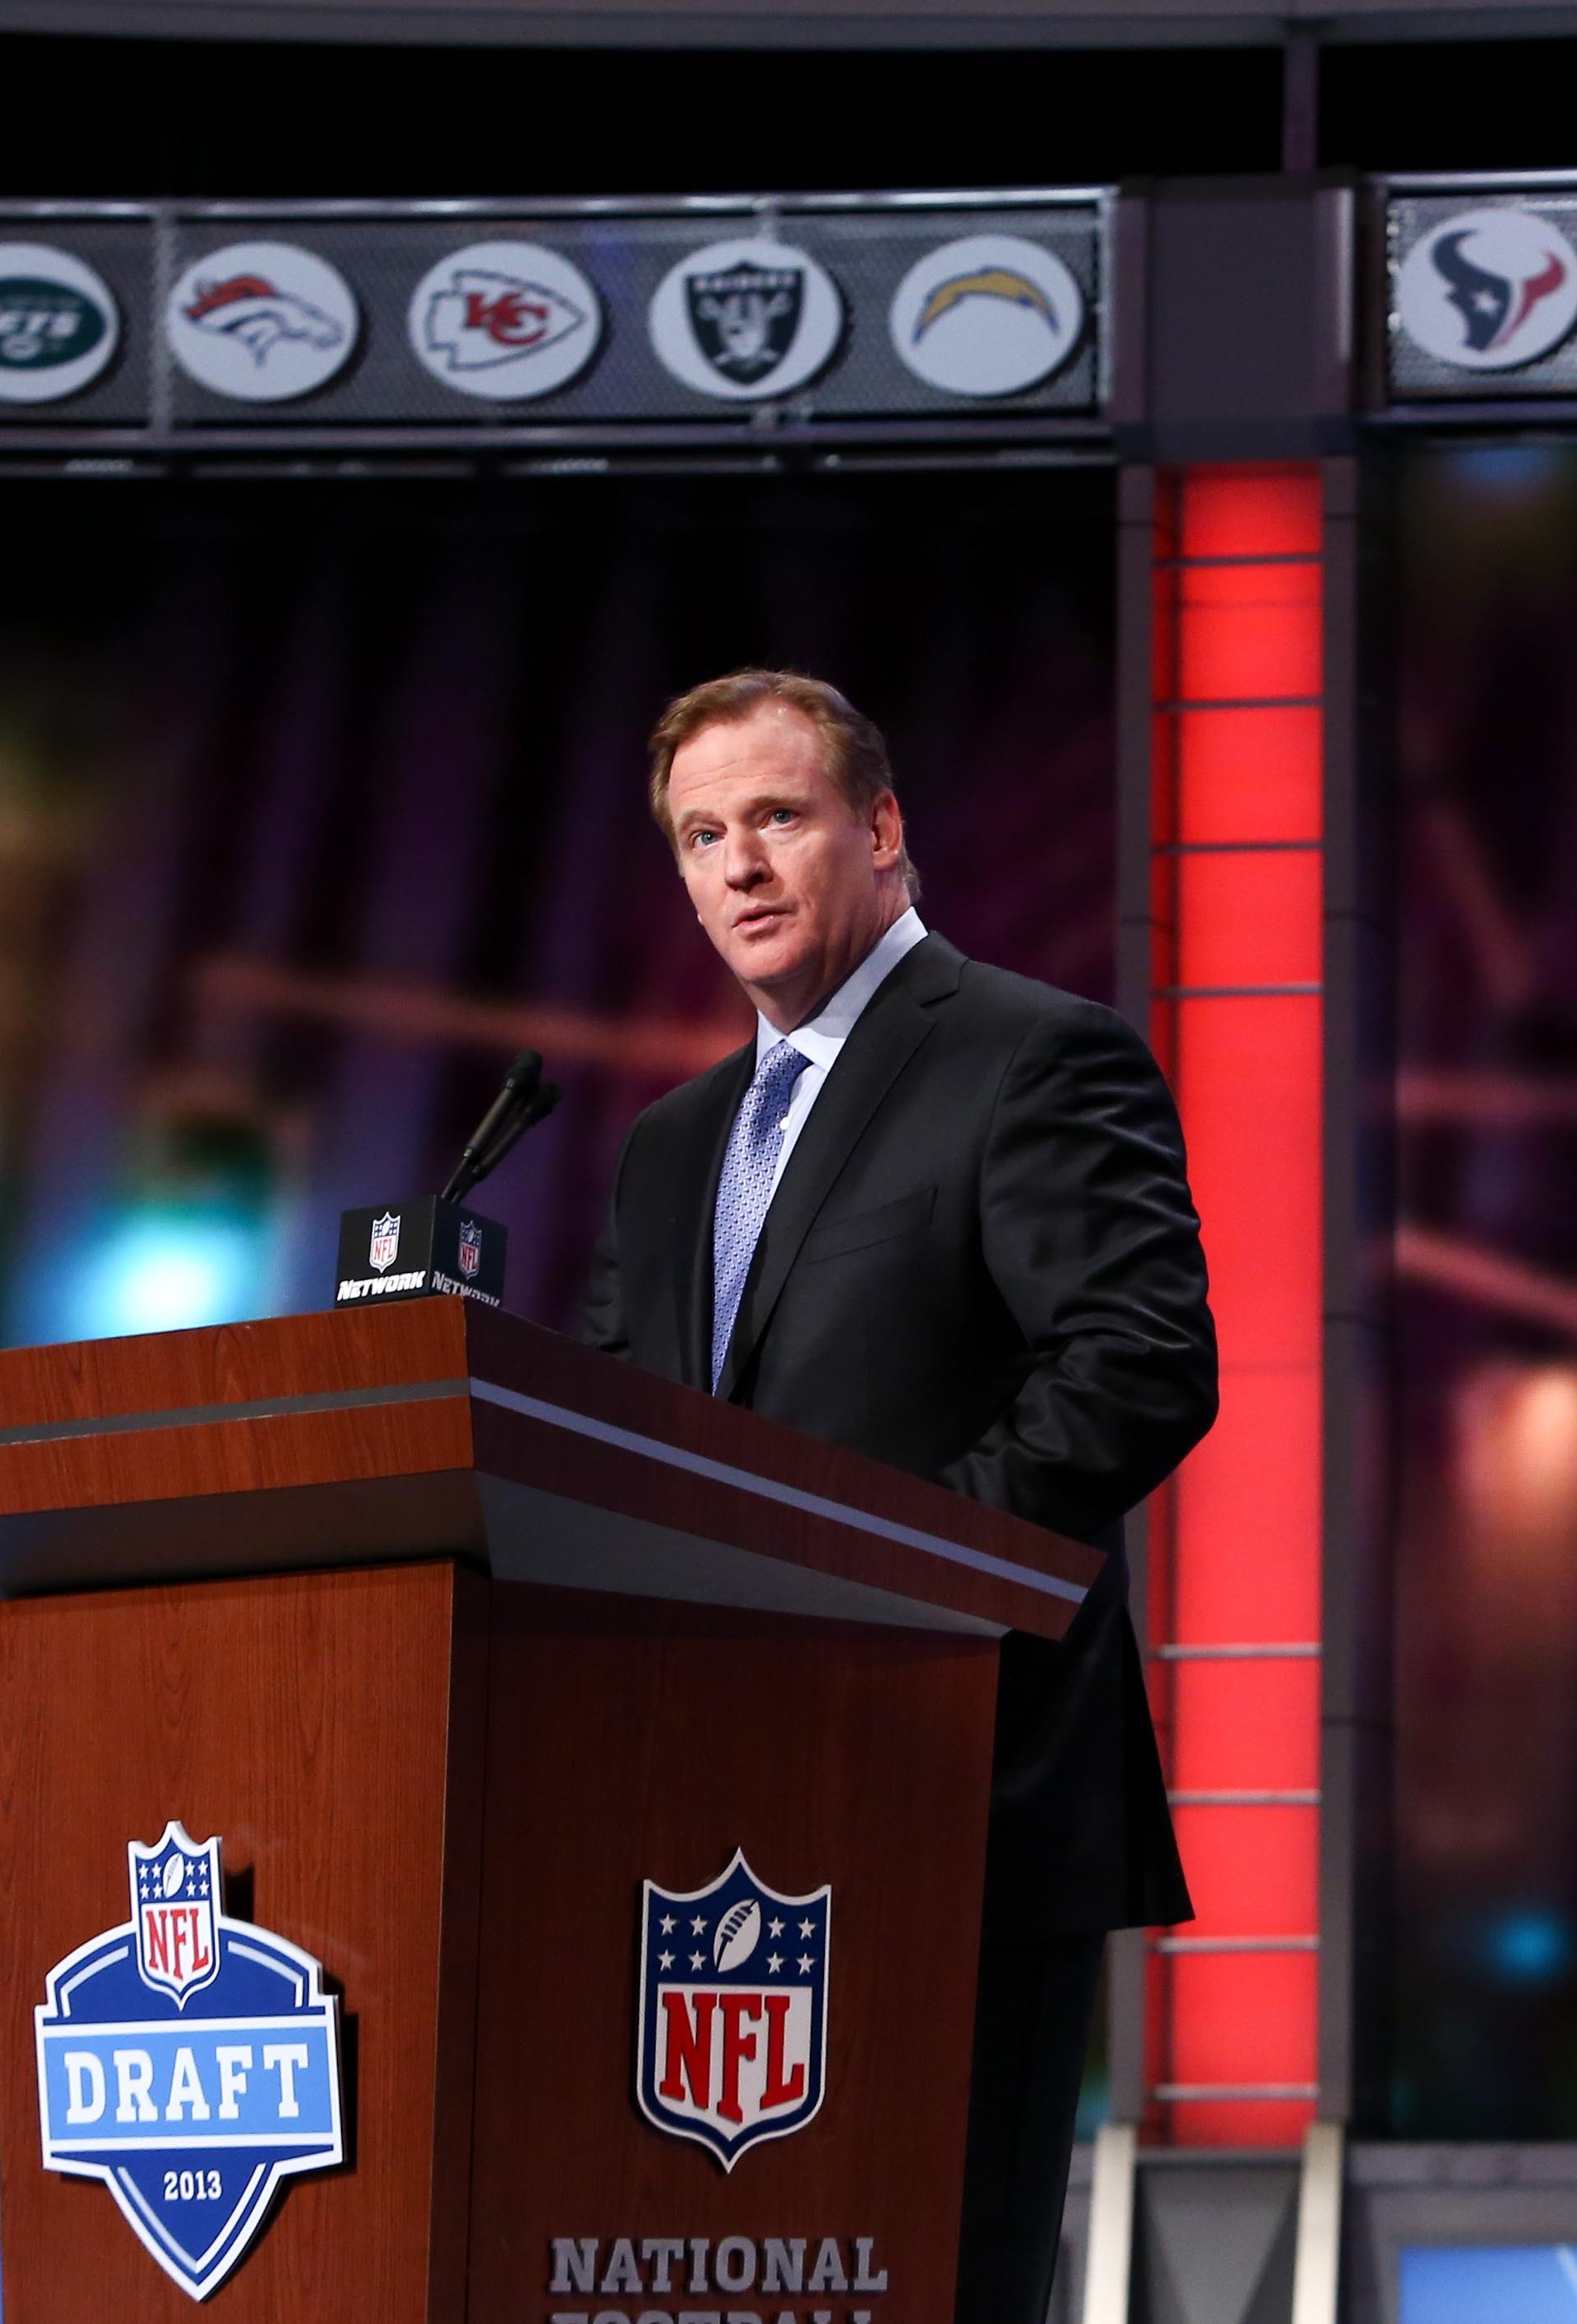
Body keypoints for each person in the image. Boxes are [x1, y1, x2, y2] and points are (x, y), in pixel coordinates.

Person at [579, 667, 1210, 2324]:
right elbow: (609, 1436)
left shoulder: (1029, 1055)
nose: (741, 868)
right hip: (693, 1822)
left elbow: (1139, 1363)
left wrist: (890, 1582)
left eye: (778, 818)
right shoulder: (670, 1146)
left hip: (954, 1776)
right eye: (702, 836)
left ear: (881, 830)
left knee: (936, 2277)